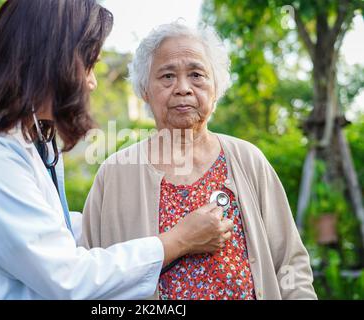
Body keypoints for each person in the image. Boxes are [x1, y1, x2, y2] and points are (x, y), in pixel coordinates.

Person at [0, 1, 233, 300]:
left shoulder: (23, 137)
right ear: (54, 62)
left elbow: (52, 226)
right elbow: (67, 278)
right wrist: (177, 241)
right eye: (89, 65)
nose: (92, 83)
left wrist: (129, 219)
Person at [81, 22, 317, 300]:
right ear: (145, 89)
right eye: (167, 76)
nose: (183, 88)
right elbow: (89, 275)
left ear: (216, 87)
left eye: (196, 74)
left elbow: (290, 264)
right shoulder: (115, 174)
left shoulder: (248, 160)